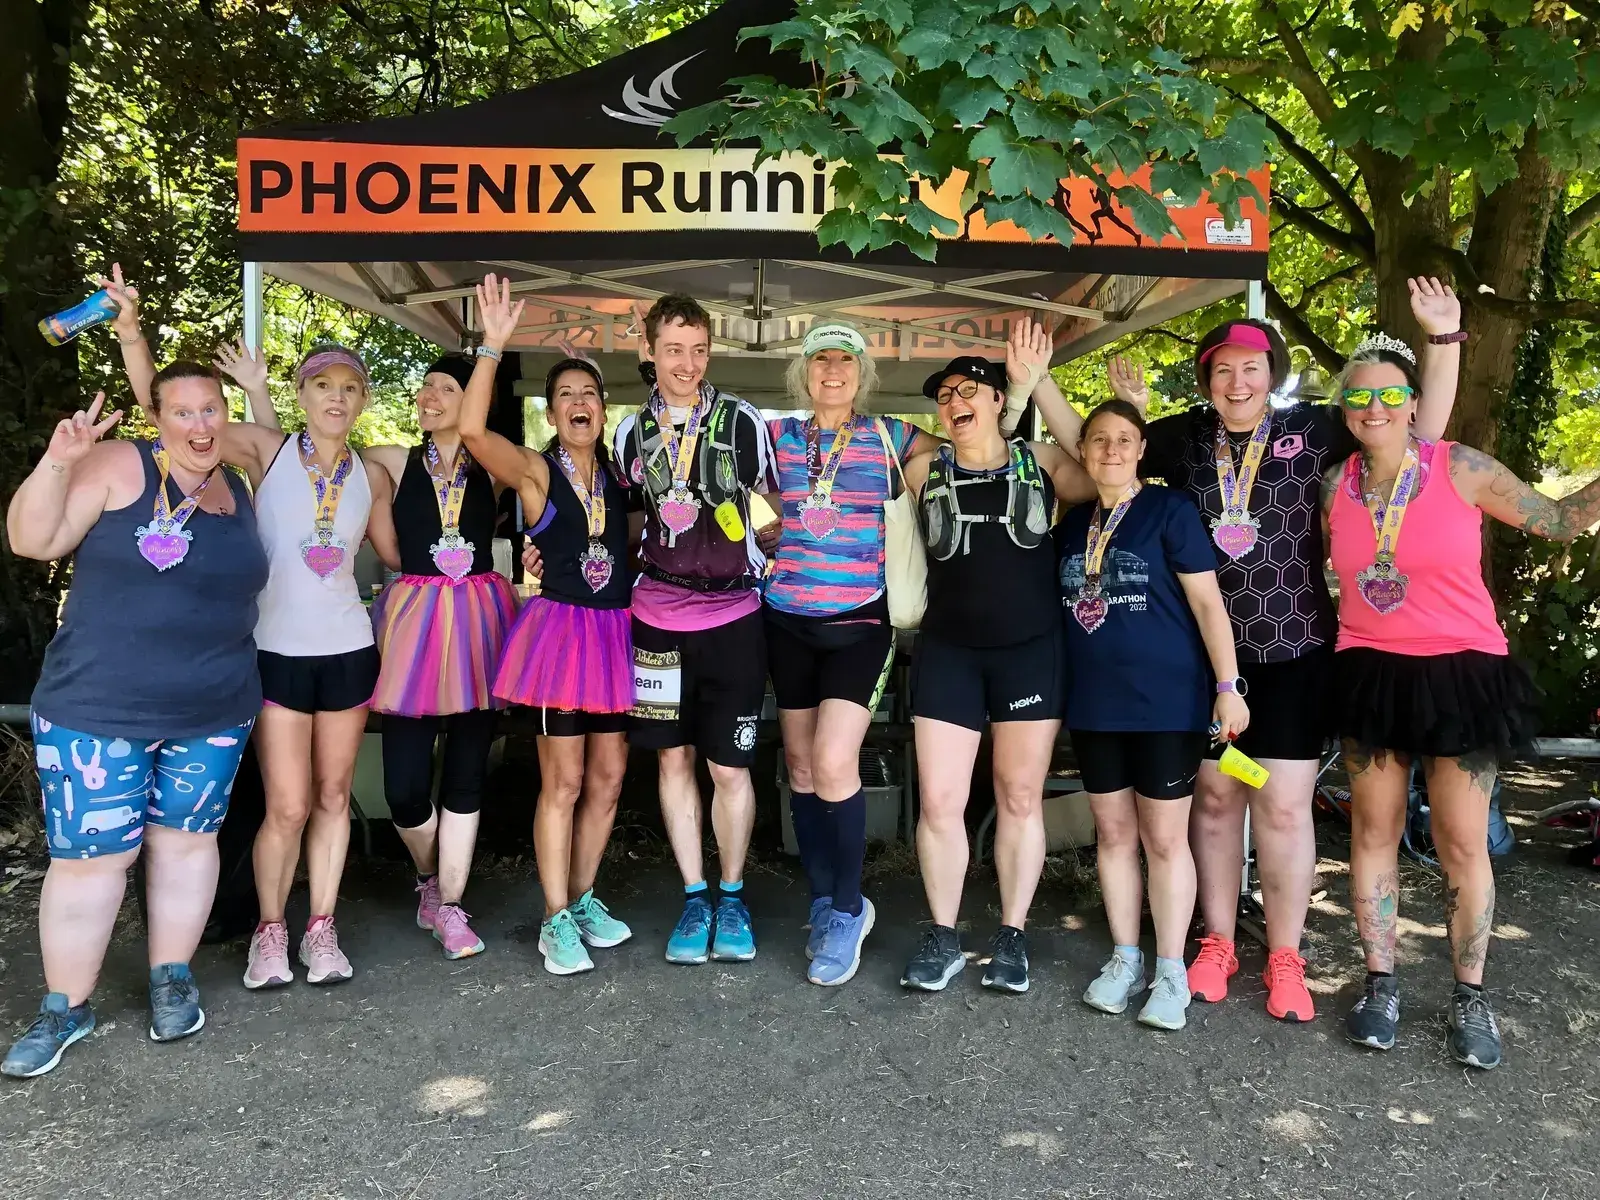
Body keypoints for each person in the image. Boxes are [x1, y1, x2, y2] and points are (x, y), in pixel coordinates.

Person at [1031, 278, 1463, 1022]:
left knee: (1287, 811)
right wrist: (1039, 382)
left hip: (1293, 648)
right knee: (1216, 800)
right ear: (1206, 379)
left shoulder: (1316, 430)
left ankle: (1288, 957)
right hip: (1201, 661)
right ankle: (1219, 942)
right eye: (1223, 368)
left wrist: (1443, 340)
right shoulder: (1182, 437)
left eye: (1253, 367)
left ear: (1275, 375)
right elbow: (1093, 444)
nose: (1238, 380)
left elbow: (1413, 429)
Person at [99, 270, 394, 991]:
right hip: (275, 654)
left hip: (349, 651)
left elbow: (396, 556)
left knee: (331, 799)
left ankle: (321, 929)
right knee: (287, 805)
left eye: (348, 387)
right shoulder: (267, 449)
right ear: (301, 396)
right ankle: (271, 930)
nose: (335, 396)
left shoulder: (373, 475)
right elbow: (167, 413)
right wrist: (132, 333)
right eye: (322, 384)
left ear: (361, 402)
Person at [1322, 334, 1575, 1069]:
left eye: (1391, 393)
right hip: (1369, 670)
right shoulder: (1332, 484)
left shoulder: (1459, 466)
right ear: (1345, 407)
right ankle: (1380, 984)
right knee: (1372, 832)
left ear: (1413, 403)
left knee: (1463, 841)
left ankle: (1470, 994)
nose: (1375, 406)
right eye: (1360, 395)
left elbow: (1559, 521)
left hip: (1461, 673)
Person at [3, 373, 267, 1077]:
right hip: (98, 709)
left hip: (213, 708)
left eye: (210, 408)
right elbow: (33, 539)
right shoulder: (120, 464)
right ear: (157, 417)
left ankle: (170, 977)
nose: (199, 424)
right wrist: (60, 460)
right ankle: (65, 1006)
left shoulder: (237, 488)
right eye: (181, 411)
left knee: (186, 846)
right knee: (91, 862)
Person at [897, 343, 1096, 996]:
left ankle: (1012, 934)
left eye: (968, 391)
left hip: (1029, 653)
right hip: (949, 652)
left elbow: (1100, 465)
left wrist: (1040, 386)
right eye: (945, 395)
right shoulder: (924, 469)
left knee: (1017, 797)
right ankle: (943, 933)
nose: (955, 402)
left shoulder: (1040, 466)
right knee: (940, 802)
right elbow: (859, 445)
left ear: (997, 401)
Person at [462, 275, 635, 975]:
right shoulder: (535, 470)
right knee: (561, 783)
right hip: (561, 639)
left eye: (588, 393)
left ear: (603, 406)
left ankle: (585, 896)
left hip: (617, 633)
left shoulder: (623, 476)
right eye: (564, 395)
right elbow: (472, 431)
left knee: (609, 779)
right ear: (552, 411)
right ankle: (553, 917)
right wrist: (493, 347)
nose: (578, 403)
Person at [1061, 400, 1250, 1030]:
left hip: (1167, 704)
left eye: (1123, 439)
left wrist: (1228, 686)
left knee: (1165, 839)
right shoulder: (1071, 524)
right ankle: (1125, 958)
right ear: (1083, 452)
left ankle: (1171, 969)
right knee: (1112, 836)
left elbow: (1206, 602)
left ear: (1142, 449)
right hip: (1093, 705)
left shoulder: (1170, 511)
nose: (1110, 450)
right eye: (1097, 440)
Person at [765, 322, 944, 985]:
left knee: (836, 762)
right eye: (820, 360)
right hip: (784, 619)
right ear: (804, 372)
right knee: (802, 768)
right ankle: (821, 896)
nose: (832, 370)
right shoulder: (779, 437)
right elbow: (734, 489)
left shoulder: (890, 436)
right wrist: (762, 522)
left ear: (862, 374)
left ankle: (849, 908)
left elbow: (963, 454)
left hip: (860, 622)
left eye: (845, 360)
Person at [613, 291, 776, 966]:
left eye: (700, 350)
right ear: (649, 351)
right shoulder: (629, 432)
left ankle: (732, 898)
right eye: (674, 350)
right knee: (673, 760)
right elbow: (620, 520)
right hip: (655, 620)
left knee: (729, 765)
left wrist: (765, 539)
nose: (688, 365)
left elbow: (769, 507)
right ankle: (693, 896)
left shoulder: (742, 421)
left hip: (734, 616)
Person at [362, 355, 517, 961]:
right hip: (416, 625)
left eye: (445, 387)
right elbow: (321, 452)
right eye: (426, 385)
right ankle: (432, 876)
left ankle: (449, 903)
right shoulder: (393, 460)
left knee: (466, 773)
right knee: (404, 788)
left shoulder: (491, 466)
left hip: (480, 621)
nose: (429, 395)